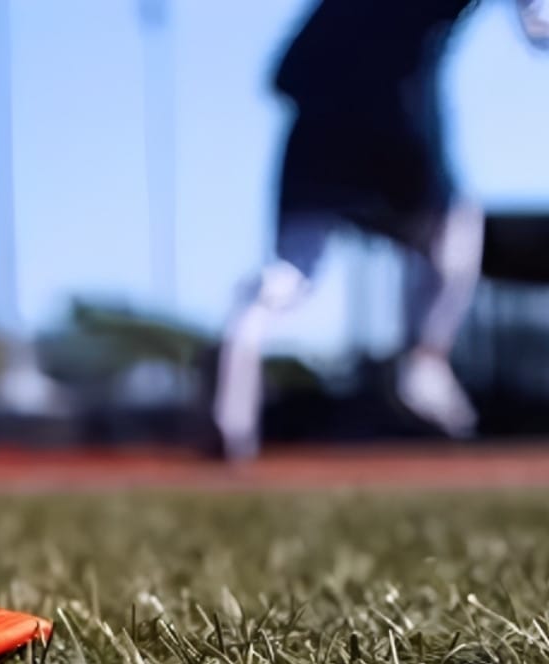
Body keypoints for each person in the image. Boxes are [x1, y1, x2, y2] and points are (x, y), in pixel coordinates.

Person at [211, 0, 549, 461]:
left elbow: (282, 76)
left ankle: (236, 394)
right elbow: (534, 21)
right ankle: (426, 362)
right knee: (453, 227)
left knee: (291, 271)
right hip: (395, 111)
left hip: (314, 122)